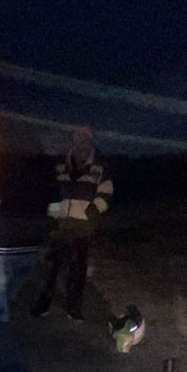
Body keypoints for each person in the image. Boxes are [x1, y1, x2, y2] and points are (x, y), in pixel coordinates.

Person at [0, 143, 57, 372]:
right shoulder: (45, 165)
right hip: (30, 250)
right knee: (0, 305)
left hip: (1, 250)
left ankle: (12, 363)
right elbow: (56, 211)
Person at [32, 125, 113, 320]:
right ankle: (43, 305)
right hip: (60, 224)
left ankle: (74, 308)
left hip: (83, 226)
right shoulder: (61, 163)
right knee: (51, 267)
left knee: (77, 270)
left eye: (85, 138)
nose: (81, 141)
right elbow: (51, 189)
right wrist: (51, 213)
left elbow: (107, 193)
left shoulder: (100, 166)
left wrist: (93, 211)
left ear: (91, 141)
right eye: (78, 137)